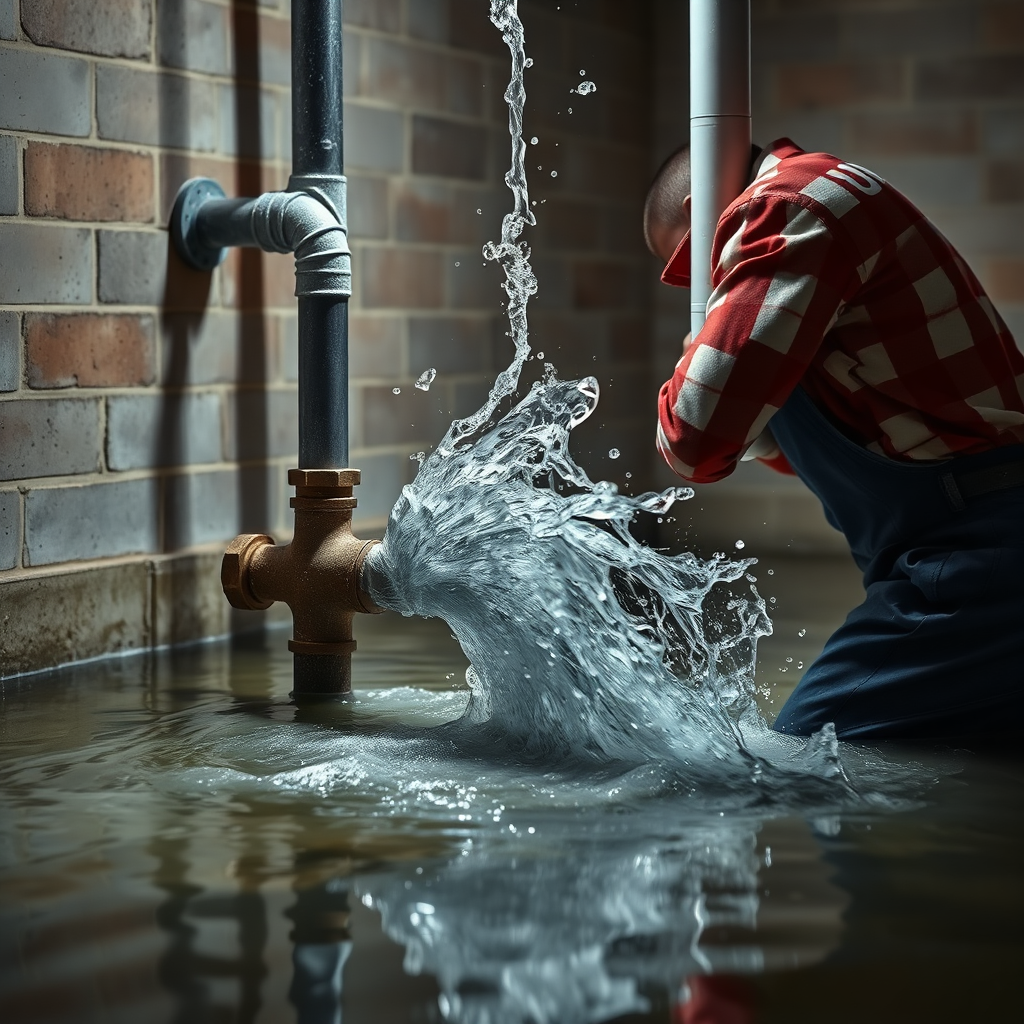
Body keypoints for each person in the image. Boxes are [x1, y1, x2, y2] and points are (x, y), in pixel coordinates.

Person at [645, 137, 1024, 744]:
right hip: (968, 551)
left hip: (975, 560)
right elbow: (837, 449)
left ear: (701, 210)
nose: (710, 292)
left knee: (798, 768)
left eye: (696, 269)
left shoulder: (789, 206)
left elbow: (692, 440)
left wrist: (699, 357)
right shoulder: (825, 208)